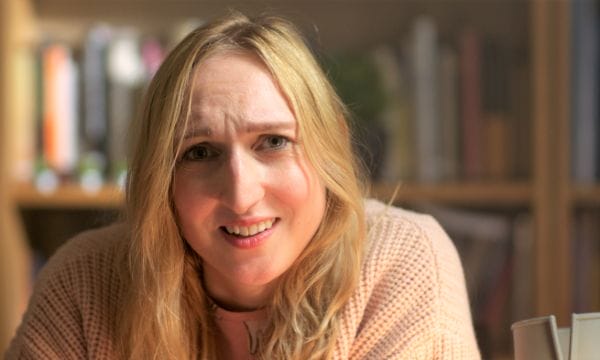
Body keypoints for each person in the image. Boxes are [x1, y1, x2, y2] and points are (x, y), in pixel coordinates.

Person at [6, 12, 480, 359]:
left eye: (273, 142)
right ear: (160, 176)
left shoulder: (403, 259)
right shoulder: (85, 281)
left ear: (330, 141)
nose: (240, 194)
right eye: (199, 152)